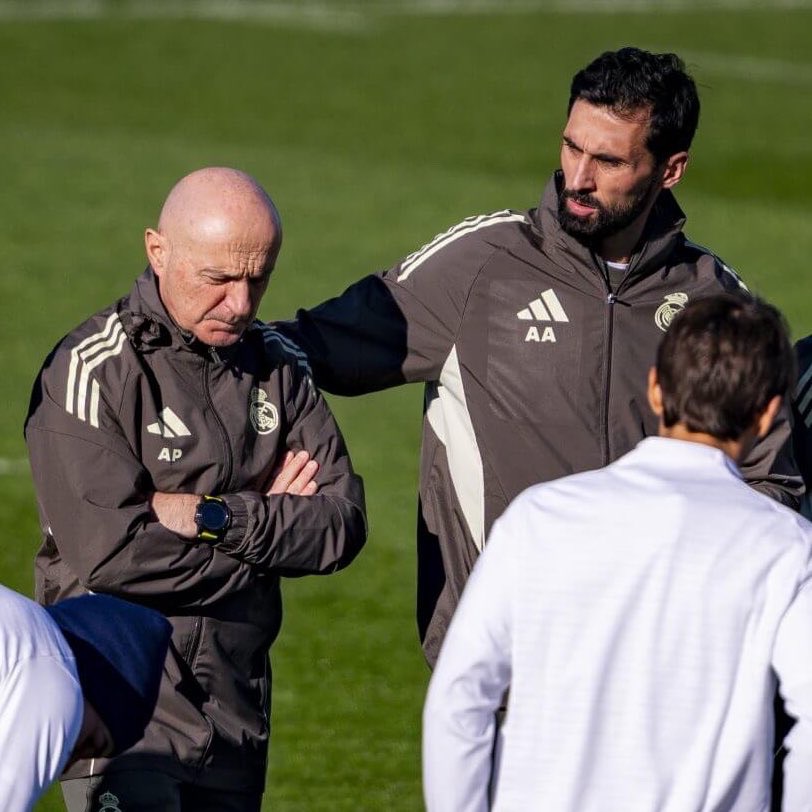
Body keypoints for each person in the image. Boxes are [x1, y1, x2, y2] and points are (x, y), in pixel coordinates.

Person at [274, 46, 802, 667]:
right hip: (503, 667)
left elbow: (772, 485)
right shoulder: (480, 267)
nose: (578, 178)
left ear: (671, 169)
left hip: (653, 669)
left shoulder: (715, 302)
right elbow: (296, 350)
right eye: (572, 147)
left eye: (608, 161)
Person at [24, 167, 367, 811]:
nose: (240, 303)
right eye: (219, 278)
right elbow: (114, 554)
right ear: (158, 251)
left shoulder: (279, 366)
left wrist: (214, 517)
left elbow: (341, 525)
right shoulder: (93, 370)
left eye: (258, 278)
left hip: (237, 714)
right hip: (125, 716)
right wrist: (269, 529)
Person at [422, 294, 812, 812]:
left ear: (655, 388)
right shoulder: (786, 546)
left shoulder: (540, 517)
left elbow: (460, 694)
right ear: (766, 416)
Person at [0, 586, 171, 812]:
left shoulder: (21, 625)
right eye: (90, 743)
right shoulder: (55, 682)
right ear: (96, 687)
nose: (66, 764)